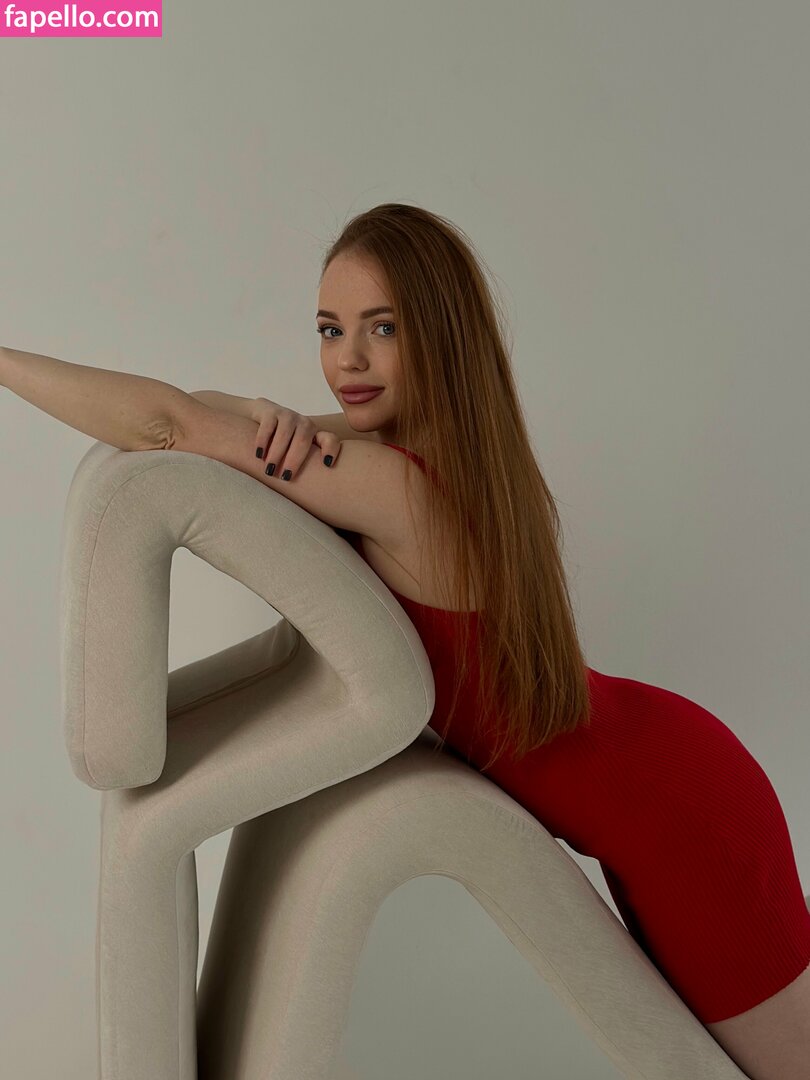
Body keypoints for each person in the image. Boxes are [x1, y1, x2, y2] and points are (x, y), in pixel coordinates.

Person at [4, 202, 809, 1078]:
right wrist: (267, 412)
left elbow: (168, 425)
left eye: (382, 329)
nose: (348, 359)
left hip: (681, 820)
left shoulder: (398, 488)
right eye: (330, 329)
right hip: (661, 778)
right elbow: (199, 411)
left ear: (443, 337)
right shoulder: (430, 455)